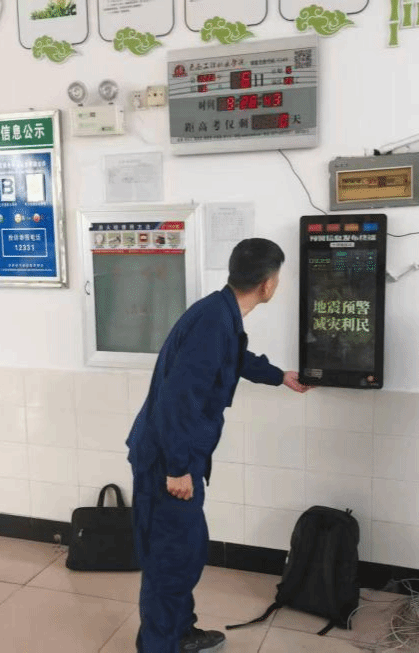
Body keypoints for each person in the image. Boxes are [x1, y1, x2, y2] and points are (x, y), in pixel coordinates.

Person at [126, 238, 311, 653]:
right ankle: (160, 645)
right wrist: (177, 468)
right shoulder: (214, 320)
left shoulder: (220, 312)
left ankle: (179, 632)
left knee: (184, 552)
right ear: (268, 284)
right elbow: (178, 399)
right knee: (171, 560)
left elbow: (234, 358)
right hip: (167, 460)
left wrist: (279, 375)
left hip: (177, 454)